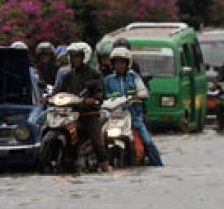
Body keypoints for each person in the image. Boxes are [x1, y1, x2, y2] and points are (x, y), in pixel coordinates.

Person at [53, 42, 111, 173]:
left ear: (84, 57)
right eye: (72, 56)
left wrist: (94, 99)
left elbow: (100, 92)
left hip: (89, 115)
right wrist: (49, 98)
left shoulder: (94, 74)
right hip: (71, 114)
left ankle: (106, 167)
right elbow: (60, 92)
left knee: (97, 143)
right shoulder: (68, 75)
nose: (73, 59)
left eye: (76, 56)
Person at [104, 47, 163, 166]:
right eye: (116, 62)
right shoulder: (108, 80)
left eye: (122, 62)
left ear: (127, 63)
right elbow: (102, 96)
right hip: (113, 118)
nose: (119, 65)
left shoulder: (134, 77)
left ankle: (158, 165)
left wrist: (136, 97)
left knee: (147, 141)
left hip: (133, 117)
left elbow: (144, 92)